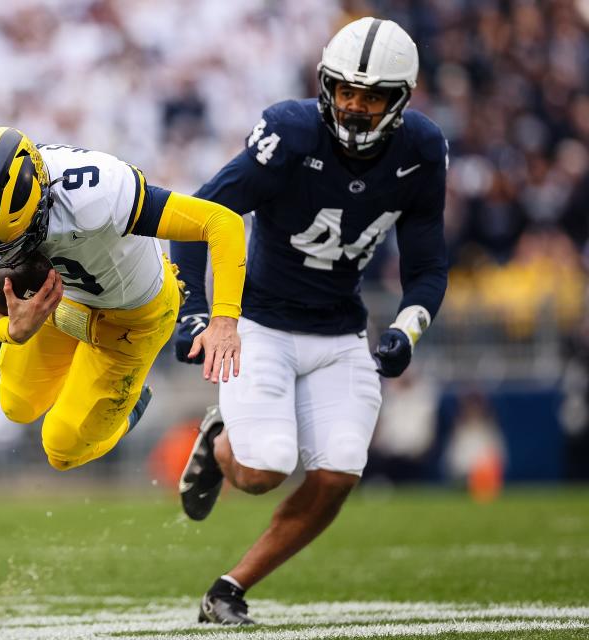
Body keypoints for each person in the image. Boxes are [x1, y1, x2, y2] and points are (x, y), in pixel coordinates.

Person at [171, 17, 448, 624]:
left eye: (370, 95)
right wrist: (193, 315)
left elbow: (427, 267)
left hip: (341, 331)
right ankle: (219, 443)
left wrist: (407, 328)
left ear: (399, 100)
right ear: (325, 84)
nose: (352, 106)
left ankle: (228, 590)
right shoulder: (291, 133)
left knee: (341, 471)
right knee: (264, 469)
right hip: (261, 323)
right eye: (344, 90)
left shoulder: (422, 151)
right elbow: (196, 216)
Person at [0, 127, 247, 471]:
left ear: (41, 201)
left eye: (11, 241)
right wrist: (9, 328)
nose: (0, 258)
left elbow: (221, 222)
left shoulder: (99, 195)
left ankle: (130, 406)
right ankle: (97, 393)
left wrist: (224, 320)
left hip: (132, 317)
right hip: (61, 301)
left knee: (61, 448)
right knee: (16, 404)